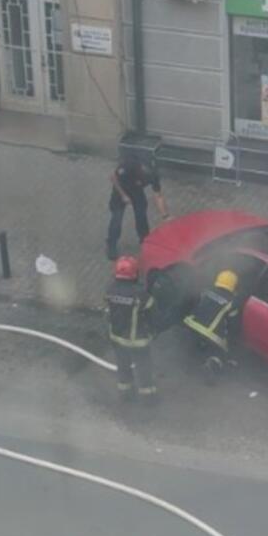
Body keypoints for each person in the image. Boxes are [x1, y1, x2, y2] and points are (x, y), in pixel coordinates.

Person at [105, 255, 158, 402]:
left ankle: (125, 394)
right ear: (135, 273)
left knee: (123, 366)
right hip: (137, 341)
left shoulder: (110, 289)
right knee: (143, 367)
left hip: (116, 338)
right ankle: (148, 397)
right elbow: (152, 313)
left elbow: (109, 312)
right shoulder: (141, 294)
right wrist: (153, 331)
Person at [183, 269, 241, 384]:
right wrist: (233, 341)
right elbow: (233, 325)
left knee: (195, 344)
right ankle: (212, 364)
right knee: (223, 352)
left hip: (192, 325)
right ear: (233, 286)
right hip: (211, 333)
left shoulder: (207, 291)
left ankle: (190, 359)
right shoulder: (231, 303)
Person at [106, 157, 168, 261]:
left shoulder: (153, 175)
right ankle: (111, 244)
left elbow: (158, 196)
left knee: (141, 216)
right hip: (120, 191)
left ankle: (145, 241)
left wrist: (165, 216)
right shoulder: (129, 165)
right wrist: (123, 196)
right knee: (117, 218)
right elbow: (113, 178)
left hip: (136, 192)